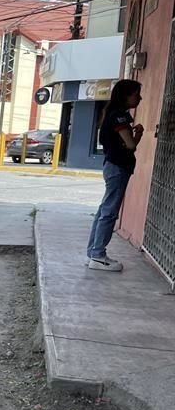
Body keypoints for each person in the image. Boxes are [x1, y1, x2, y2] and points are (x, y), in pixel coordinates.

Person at [87, 79, 144, 271]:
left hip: (111, 166)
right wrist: (139, 134)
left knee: (104, 209)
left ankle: (93, 252)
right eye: (136, 94)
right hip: (118, 167)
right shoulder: (120, 116)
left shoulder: (111, 114)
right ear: (125, 95)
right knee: (110, 211)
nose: (139, 98)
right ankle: (98, 255)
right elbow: (130, 145)